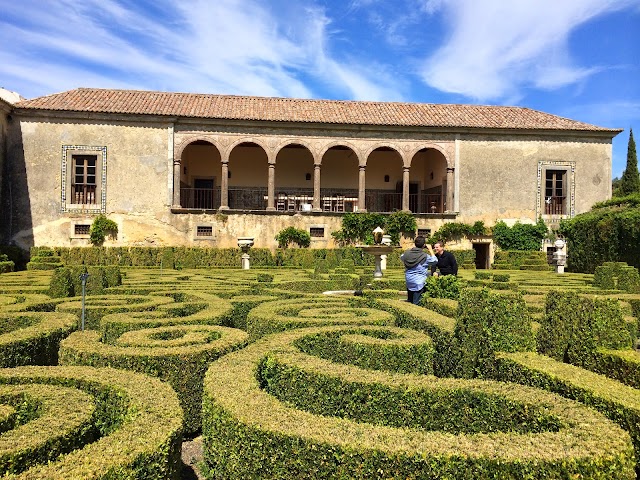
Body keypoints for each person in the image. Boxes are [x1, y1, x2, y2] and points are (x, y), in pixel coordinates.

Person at [401, 236, 437, 305]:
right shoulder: (425, 256)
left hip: (409, 281)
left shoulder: (407, 253)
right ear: (424, 245)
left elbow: (402, 257)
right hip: (419, 283)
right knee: (416, 304)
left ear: (415, 244)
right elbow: (435, 261)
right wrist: (430, 250)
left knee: (409, 302)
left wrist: (411, 249)